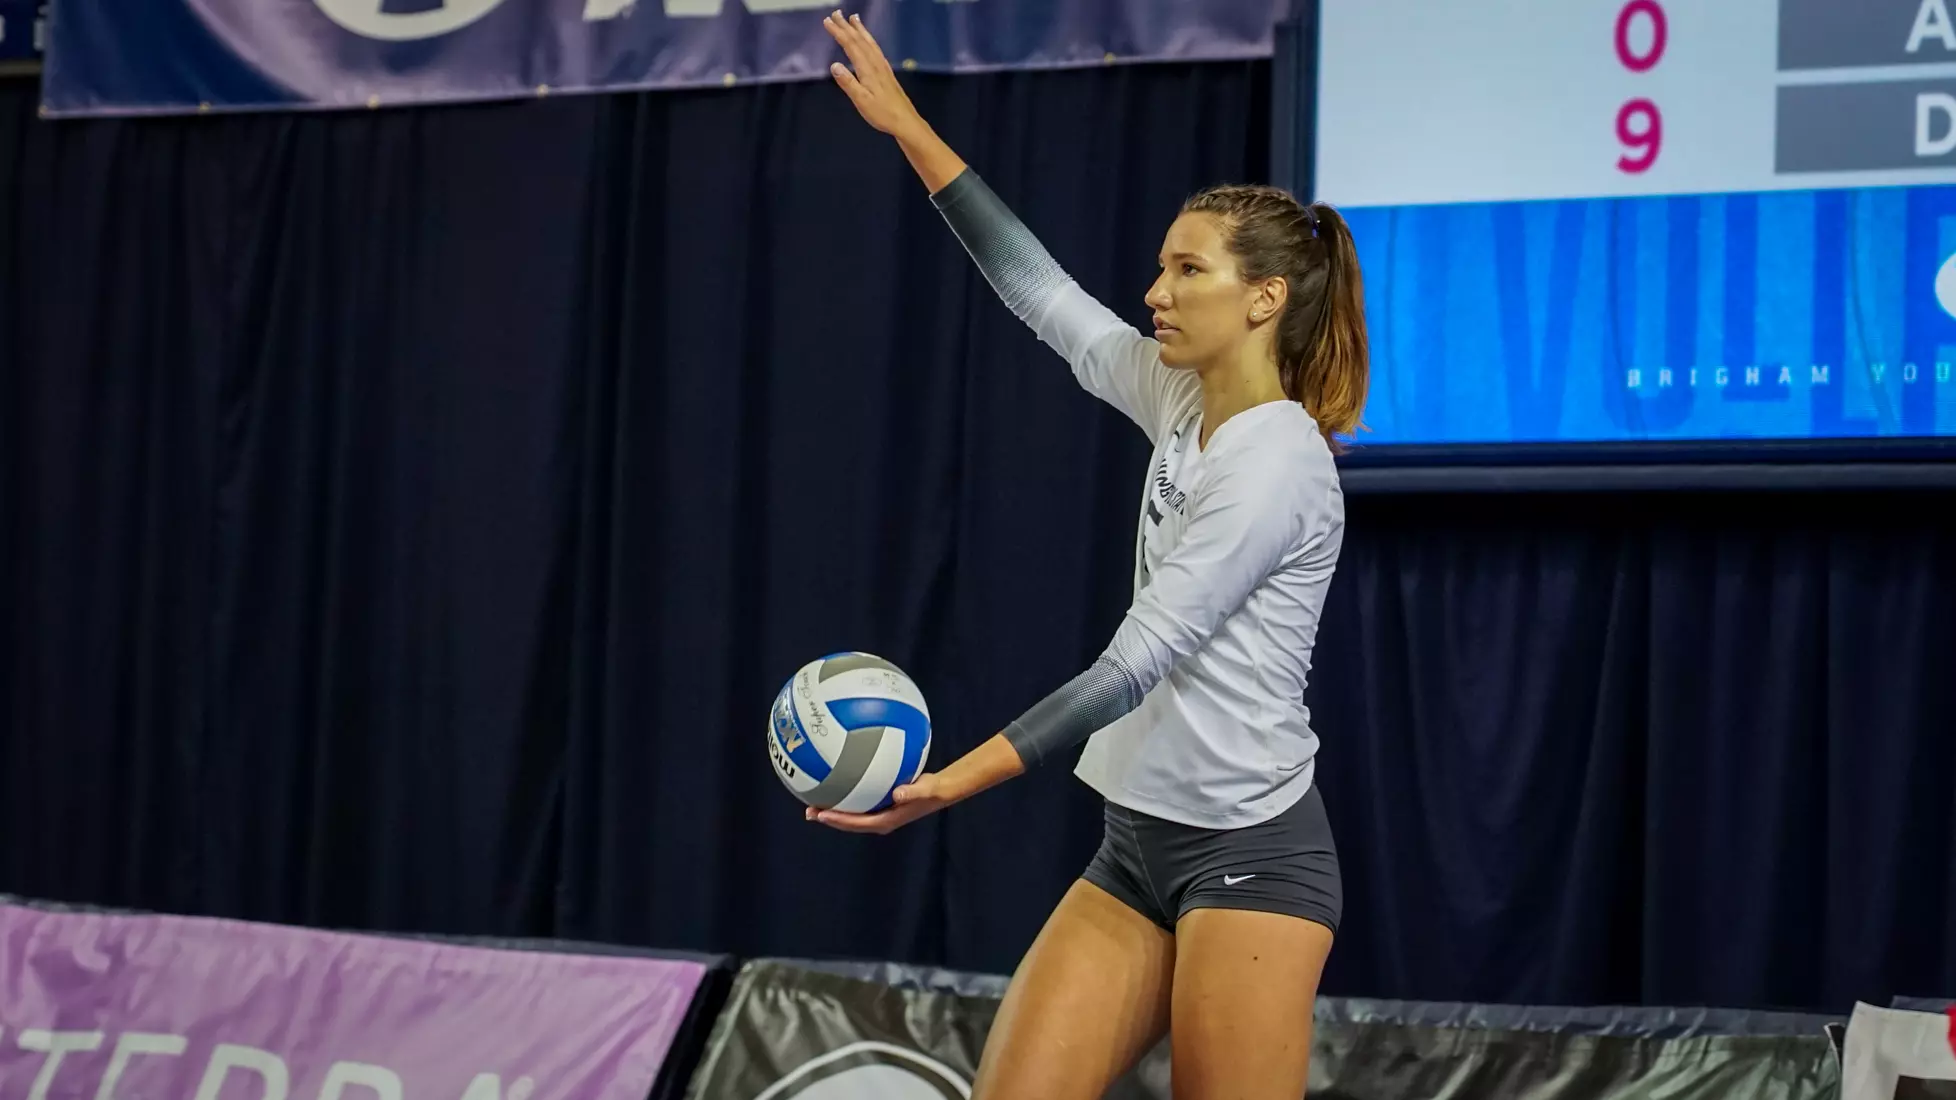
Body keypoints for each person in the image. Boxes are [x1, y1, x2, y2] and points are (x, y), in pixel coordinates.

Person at [808, 11, 1369, 1098]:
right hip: (1136, 846)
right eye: (1160, 267)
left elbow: (1132, 664)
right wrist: (911, 129)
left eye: (1185, 269)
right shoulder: (1180, 395)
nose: (1155, 292)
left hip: (1251, 853)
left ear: (1265, 298)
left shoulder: (1279, 465)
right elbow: (1043, 294)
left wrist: (948, 785)